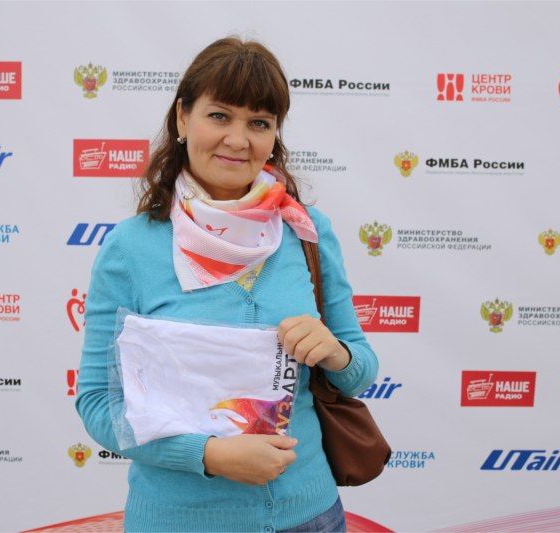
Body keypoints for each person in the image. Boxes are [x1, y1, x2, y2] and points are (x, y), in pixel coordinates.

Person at [76, 37, 379, 532]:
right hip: (179, 522)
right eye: (219, 116)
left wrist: (335, 353)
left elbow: (360, 371)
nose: (238, 140)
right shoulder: (130, 248)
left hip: (310, 515)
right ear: (182, 118)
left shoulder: (307, 231)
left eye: (259, 123)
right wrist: (208, 455)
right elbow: (99, 404)